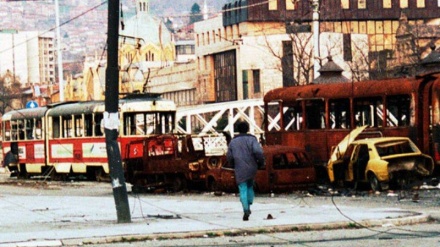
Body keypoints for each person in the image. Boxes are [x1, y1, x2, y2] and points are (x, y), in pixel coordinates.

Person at [226, 121, 265, 221]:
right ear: (247, 129)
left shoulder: (233, 142)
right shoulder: (252, 139)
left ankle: (246, 209)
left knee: (242, 188)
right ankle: (249, 202)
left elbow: (229, 156)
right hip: (252, 166)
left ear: (238, 130)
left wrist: (232, 164)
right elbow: (258, 152)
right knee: (250, 185)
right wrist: (260, 162)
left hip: (239, 167)